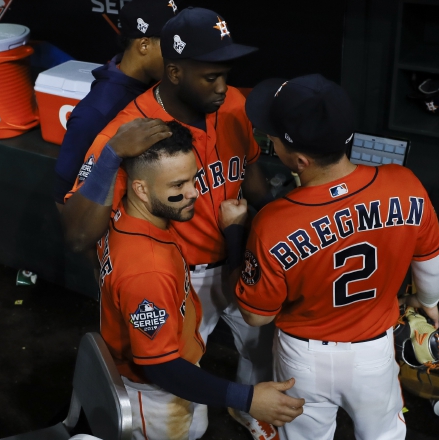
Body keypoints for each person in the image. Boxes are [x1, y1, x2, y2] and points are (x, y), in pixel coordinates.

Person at [62, 7, 278, 439]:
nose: (223, 87)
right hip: (177, 281)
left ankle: (250, 411)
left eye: (225, 74)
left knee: (260, 348)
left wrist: (266, 231)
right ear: (174, 72)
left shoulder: (234, 105)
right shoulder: (130, 131)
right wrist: (111, 157)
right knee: (177, 392)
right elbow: (78, 234)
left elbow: (253, 177)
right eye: (210, 77)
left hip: (236, 257)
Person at [232, 74, 439, 440]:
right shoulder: (404, 184)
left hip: (303, 359)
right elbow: (432, 267)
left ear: (299, 160)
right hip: (373, 354)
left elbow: (255, 316)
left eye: (273, 136)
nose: (268, 137)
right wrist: (427, 301)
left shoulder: (272, 223)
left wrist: (235, 232)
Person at [99, 120, 304, 440]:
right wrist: (248, 399)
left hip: (173, 370)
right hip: (155, 394)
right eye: (178, 186)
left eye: (195, 178)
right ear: (140, 188)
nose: (194, 192)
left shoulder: (125, 215)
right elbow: (161, 367)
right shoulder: (147, 272)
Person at [53, 0, 178, 209]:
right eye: (170, 45)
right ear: (144, 45)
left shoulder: (158, 84)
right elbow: (63, 197)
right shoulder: (96, 112)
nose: (178, 54)